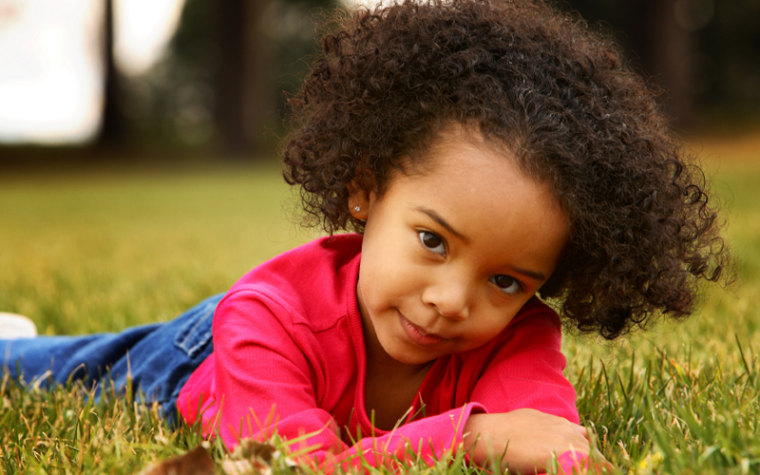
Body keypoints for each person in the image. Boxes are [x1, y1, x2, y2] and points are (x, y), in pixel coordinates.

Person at [0, 0, 728, 473]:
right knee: (52, 365)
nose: (450, 299)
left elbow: (549, 443)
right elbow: (295, 463)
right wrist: (470, 439)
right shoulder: (264, 319)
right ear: (366, 187)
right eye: (433, 240)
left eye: (507, 280)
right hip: (209, 349)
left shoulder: (518, 335)